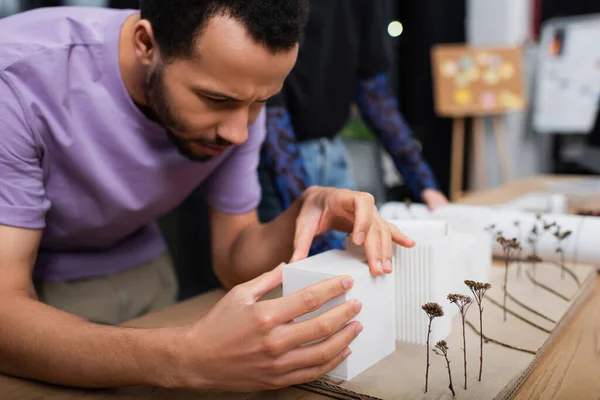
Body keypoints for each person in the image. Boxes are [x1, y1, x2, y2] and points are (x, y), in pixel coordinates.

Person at [0, 0, 415, 392]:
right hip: (35, 286)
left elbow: (235, 255)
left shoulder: (239, 94)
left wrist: (305, 212)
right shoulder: (18, 78)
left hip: (143, 267)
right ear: (147, 44)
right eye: (216, 100)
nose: (238, 133)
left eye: (260, 103)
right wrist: (184, 357)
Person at [259, 0, 449, 253]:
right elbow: (270, 114)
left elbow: (374, 93)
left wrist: (425, 185)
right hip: (273, 162)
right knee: (289, 278)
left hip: (332, 154)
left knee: (353, 264)